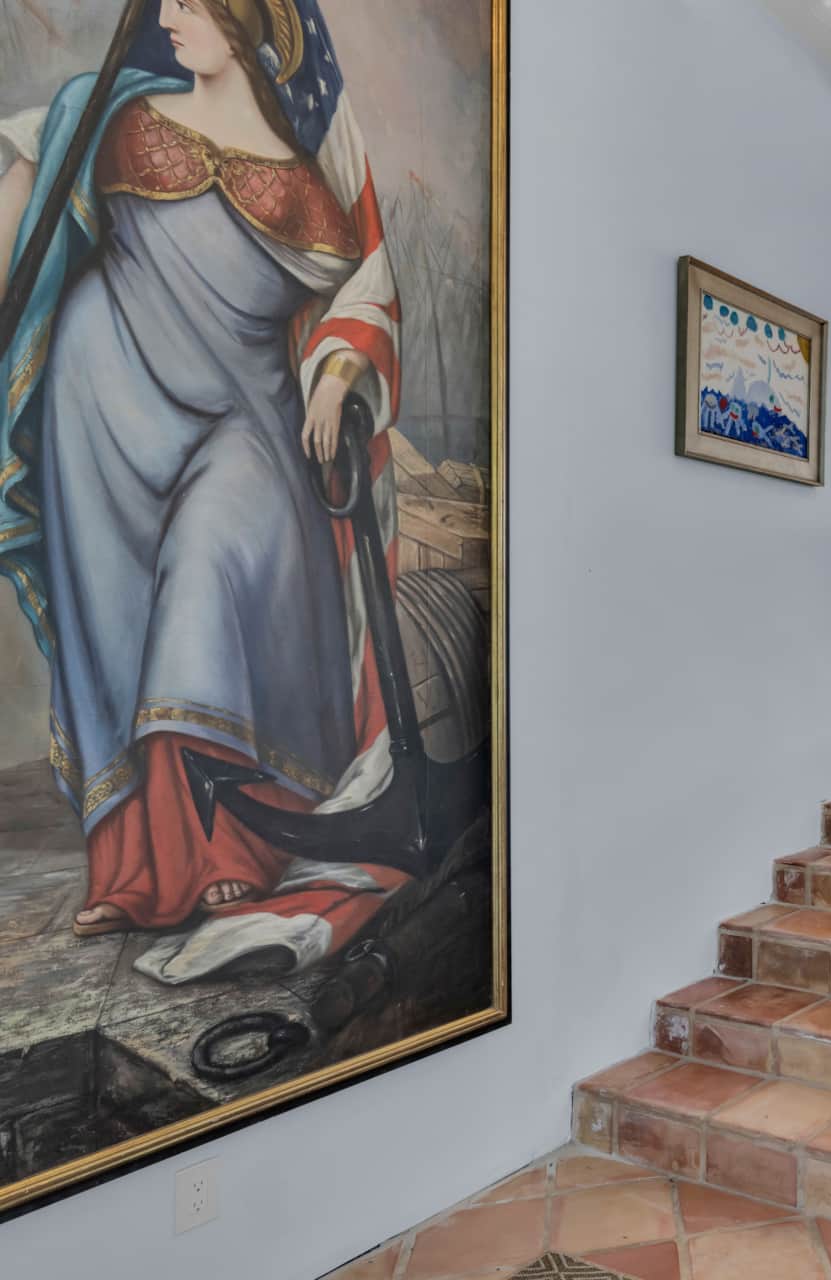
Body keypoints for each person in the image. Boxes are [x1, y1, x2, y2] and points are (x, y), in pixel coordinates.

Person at [0, 0, 404, 966]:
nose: (170, 16)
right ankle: (136, 869)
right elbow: (28, 179)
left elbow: (363, 290)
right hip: (104, 416)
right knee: (119, 625)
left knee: (204, 570)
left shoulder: (305, 183)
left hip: (244, 425)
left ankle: (231, 843)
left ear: (243, 23)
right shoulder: (114, 113)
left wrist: (339, 371)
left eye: (192, 3)